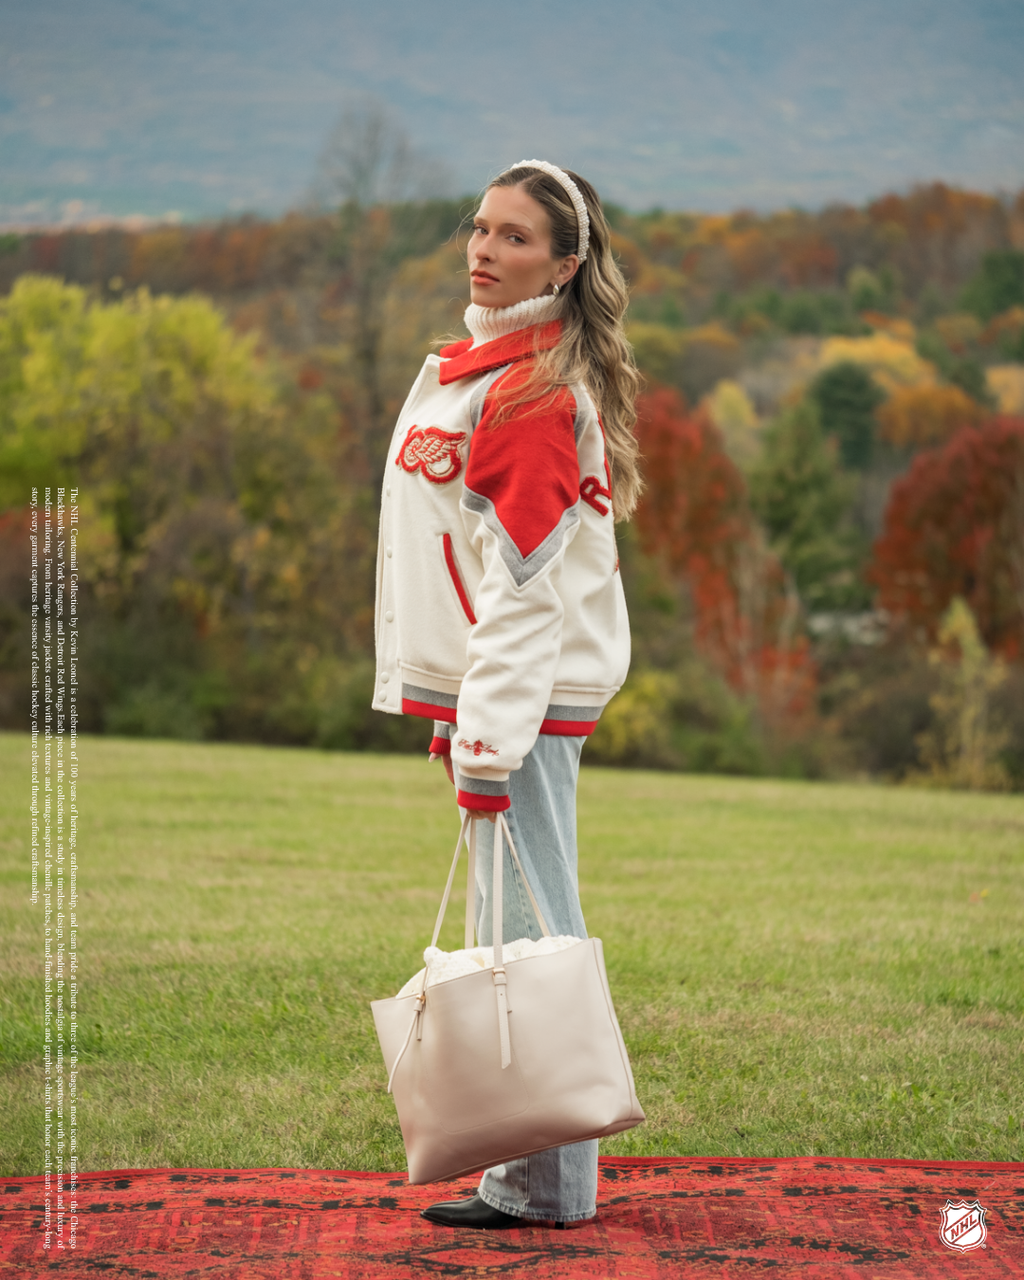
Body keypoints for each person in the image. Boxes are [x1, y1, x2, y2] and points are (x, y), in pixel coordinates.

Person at [373, 159, 641, 1229]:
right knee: (517, 924)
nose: (484, 249)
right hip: (499, 697)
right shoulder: (473, 369)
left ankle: (545, 1186)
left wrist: (486, 740)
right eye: (480, 228)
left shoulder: (529, 390)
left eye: (515, 236)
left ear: (565, 265)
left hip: (524, 701)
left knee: (531, 931)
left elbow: (522, 591)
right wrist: (459, 708)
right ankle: (535, 1179)